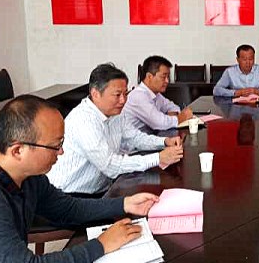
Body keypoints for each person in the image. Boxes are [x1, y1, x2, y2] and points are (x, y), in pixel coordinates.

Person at [0, 95, 159, 263]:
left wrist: (124, 204)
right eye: (55, 146)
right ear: (18, 150)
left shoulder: (27, 177)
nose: (61, 152)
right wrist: (101, 245)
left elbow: (68, 208)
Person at [47, 63, 183, 196]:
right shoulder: (84, 121)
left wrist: (164, 142)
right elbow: (110, 165)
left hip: (101, 190)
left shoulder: (115, 113)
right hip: (69, 195)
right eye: (117, 95)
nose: (123, 100)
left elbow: (135, 138)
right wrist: (158, 158)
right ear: (95, 94)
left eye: (125, 93)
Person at [123, 55, 193, 132]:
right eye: (163, 77)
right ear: (149, 76)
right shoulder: (139, 96)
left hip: (148, 135)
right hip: (132, 138)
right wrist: (179, 119)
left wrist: (173, 115)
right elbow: (159, 123)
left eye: (168, 77)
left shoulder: (155, 93)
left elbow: (171, 106)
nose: (167, 81)